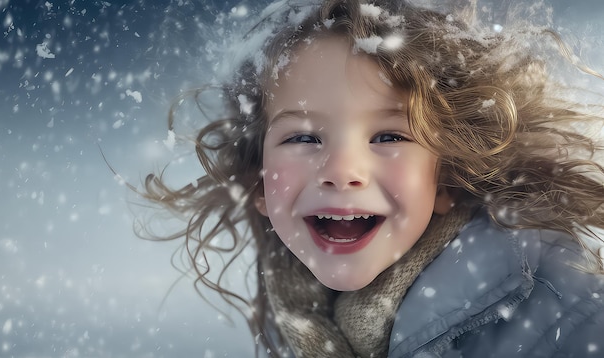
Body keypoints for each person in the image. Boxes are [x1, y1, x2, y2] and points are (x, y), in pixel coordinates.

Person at [140, 0, 604, 356]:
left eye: (387, 136)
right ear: (258, 181)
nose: (342, 172)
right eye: (302, 139)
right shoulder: (298, 321)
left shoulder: (558, 305)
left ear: (445, 178)